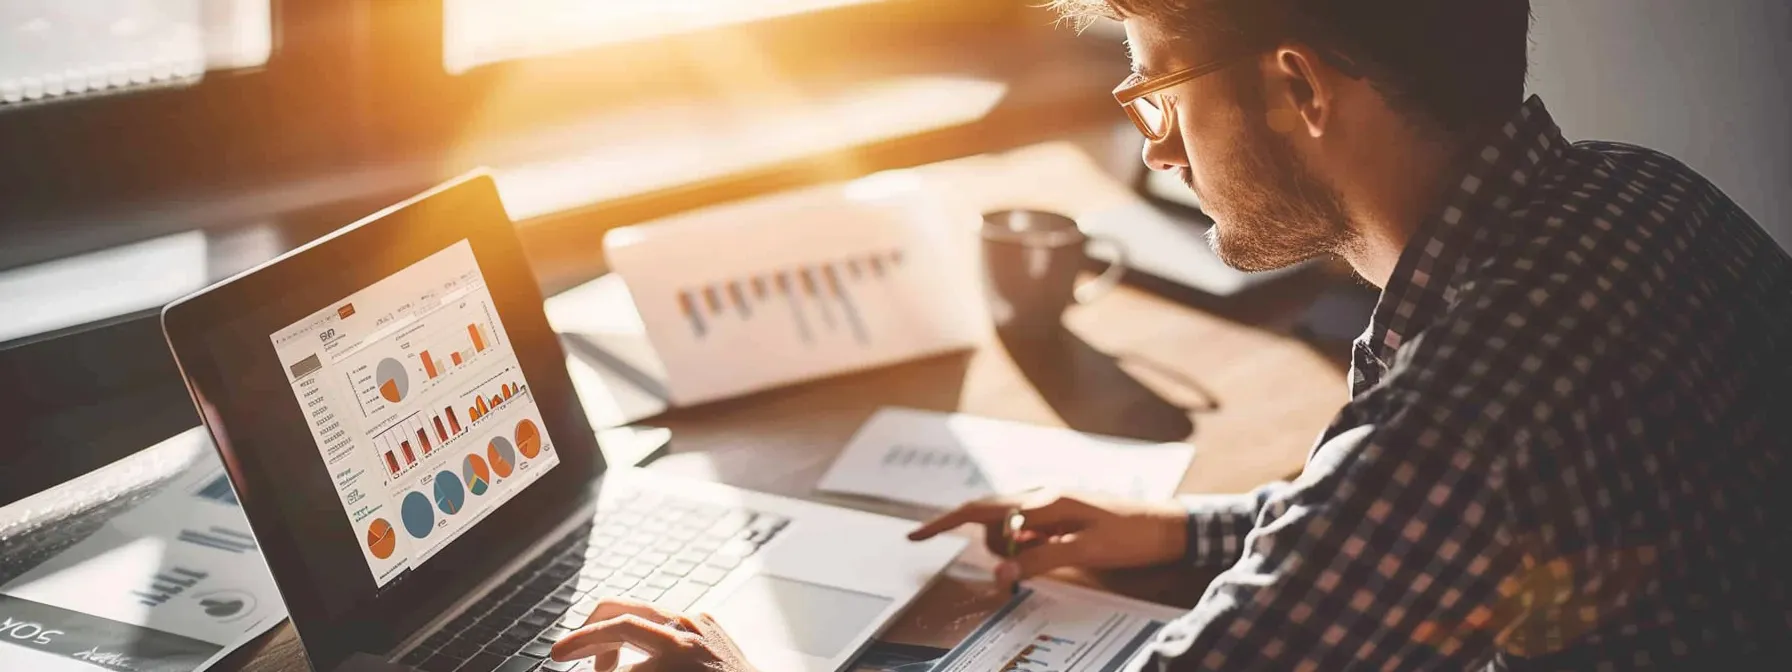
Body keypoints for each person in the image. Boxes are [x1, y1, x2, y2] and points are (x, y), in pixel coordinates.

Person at [551, 0, 1792, 668]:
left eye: (1155, 90)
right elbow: (1438, 535)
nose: (1151, 145)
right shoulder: (1640, 192)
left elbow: (1432, 484)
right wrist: (1189, 528)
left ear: (1298, 86)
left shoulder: (1476, 404)